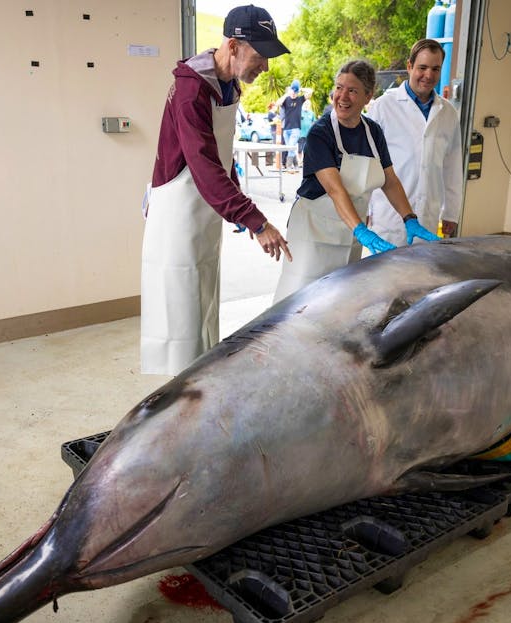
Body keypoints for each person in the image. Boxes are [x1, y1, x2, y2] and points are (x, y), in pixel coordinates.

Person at [141, 5, 293, 376]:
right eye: (260, 56)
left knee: (204, 306)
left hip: (203, 210)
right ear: (232, 45)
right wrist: (256, 221)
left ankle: (198, 387)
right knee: (180, 317)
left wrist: (236, 202)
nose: (266, 67)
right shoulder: (192, 89)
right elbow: (204, 165)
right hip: (178, 214)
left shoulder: (228, 86)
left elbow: (221, 158)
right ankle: (177, 402)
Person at [273, 60, 437, 303]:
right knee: (300, 302)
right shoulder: (321, 133)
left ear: (368, 95)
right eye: (339, 88)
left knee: (338, 302)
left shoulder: (373, 132)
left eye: (352, 90)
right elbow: (335, 189)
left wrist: (409, 219)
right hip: (314, 233)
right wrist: (363, 232)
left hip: (349, 234)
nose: (343, 96)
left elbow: (389, 180)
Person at [367, 39, 464, 244]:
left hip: (428, 216)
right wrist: (365, 209)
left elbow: (452, 166)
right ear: (410, 66)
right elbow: (367, 162)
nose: (428, 75)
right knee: (385, 274)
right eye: (422, 67)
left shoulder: (448, 113)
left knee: (421, 274)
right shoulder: (384, 107)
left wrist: (451, 212)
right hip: (388, 218)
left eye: (435, 69)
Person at [279, 80, 306, 170]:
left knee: (291, 147)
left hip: (296, 128)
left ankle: (289, 165)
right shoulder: (286, 99)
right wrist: (287, 94)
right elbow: (278, 103)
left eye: (296, 92)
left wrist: (301, 89)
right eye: (293, 91)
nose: (294, 94)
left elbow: (310, 92)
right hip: (286, 129)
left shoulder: (300, 99)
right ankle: (296, 165)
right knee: (290, 148)